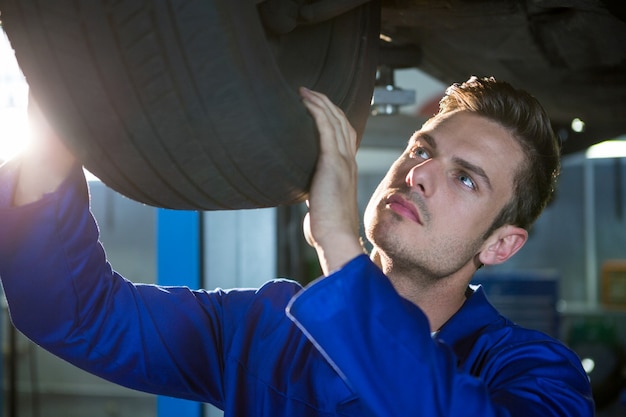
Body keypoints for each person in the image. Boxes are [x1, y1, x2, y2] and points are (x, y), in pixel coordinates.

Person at [0, 77, 593, 416]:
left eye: (467, 178)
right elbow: (78, 316)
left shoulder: (536, 375)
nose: (419, 174)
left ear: (501, 244)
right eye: (421, 149)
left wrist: (339, 244)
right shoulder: (266, 328)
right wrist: (57, 128)